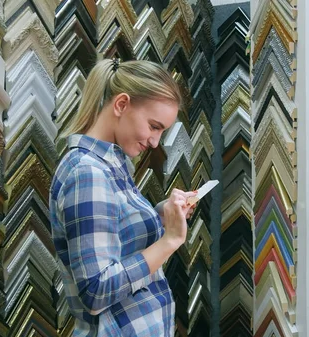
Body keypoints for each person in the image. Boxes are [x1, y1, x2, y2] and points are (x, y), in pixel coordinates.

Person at [49, 58, 197, 337]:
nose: (155, 141)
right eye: (154, 126)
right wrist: (170, 241)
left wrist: (161, 214)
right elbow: (96, 291)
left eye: (162, 131)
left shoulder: (112, 164)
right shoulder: (87, 173)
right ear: (121, 104)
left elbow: (116, 240)